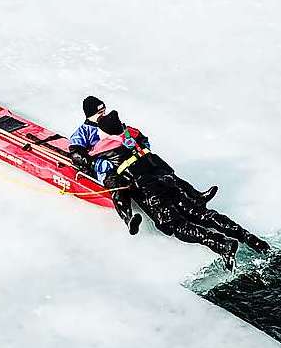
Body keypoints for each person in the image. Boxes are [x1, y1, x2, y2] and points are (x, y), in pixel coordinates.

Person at [68, 96, 269, 269]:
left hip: (147, 187)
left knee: (173, 224)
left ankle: (220, 244)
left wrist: (93, 163)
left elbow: (94, 160)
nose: (103, 115)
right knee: (201, 214)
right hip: (161, 176)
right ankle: (251, 239)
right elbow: (137, 142)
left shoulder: (103, 149)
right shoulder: (125, 134)